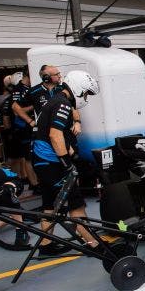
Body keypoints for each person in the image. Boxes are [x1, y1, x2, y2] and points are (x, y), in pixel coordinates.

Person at [31, 71, 106, 256]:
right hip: (52, 162)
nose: (86, 97)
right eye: (86, 92)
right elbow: (55, 135)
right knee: (76, 203)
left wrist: (71, 152)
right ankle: (94, 245)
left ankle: (46, 245)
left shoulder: (55, 100)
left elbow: (58, 134)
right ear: (79, 88)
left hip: (42, 161)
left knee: (49, 204)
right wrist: (67, 162)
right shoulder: (62, 104)